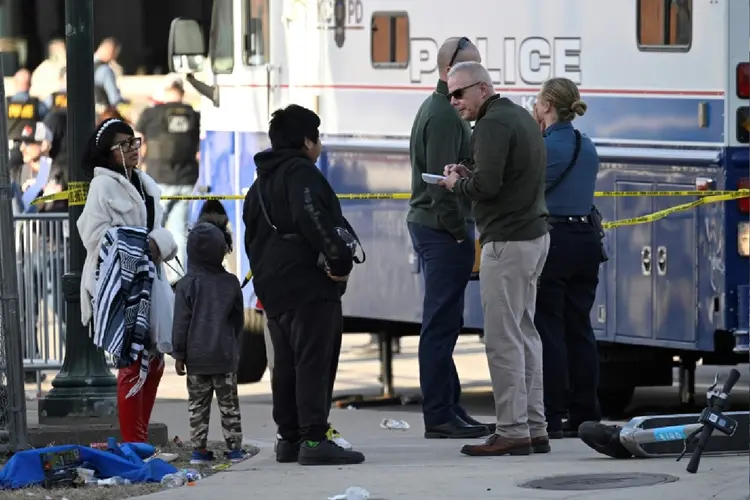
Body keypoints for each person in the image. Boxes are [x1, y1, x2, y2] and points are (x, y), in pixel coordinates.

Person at [438, 61, 551, 457]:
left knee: (503, 340)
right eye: (449, 94)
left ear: (482, 89)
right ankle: (535, 427)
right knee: (525, 334)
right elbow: (503, 173)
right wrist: (467, 171)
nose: (453, 101)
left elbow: (486, 186)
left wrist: (456, 183)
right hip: (533, 238)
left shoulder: (490, 125)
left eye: (459, 93)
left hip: (506, 241)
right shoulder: (519, 116)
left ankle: (512, 430)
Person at [243, 104, 364, 466]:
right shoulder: (301, 175)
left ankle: (289, 438)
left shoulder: (259, 183)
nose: (320, 144)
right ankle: (314, 438)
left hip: (274, 291)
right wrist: (339, 263)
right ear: (306, 141)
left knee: (287, 365)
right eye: (318, 136)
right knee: (314, 361)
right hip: (309, 287)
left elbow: (252, 237)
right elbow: (314, 218)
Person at [407, 37, 491, 440]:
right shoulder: (443, 115)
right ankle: (439, 413)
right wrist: (461, 236)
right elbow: (441, 186)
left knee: (447, 323)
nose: (476, 77)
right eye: (468, 68)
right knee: (440, 325)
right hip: (441, 230)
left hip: (442, 229)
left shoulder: (446, 110)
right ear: (448, 71)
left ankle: (451, 407)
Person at [77, 118, 177, 443]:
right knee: (132, 362)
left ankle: (140, 439)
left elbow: (156, 232)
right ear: (108, 154)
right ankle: (134, 445)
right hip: (119, 286)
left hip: (152, 282)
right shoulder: (101, 186)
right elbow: (92, 236)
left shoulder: (145, 183)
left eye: (134, 141)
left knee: (155, 361)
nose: (133, 148)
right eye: (123, 145)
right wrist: (145, 242)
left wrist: (158, 242)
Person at [531, 77, 603, 439]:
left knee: (549, 328)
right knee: (580, 328)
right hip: (586, 241)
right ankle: (586, 411)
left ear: (547, 106)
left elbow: (525, 188)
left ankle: (554, 412)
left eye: (537, 101)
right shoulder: (586, 145)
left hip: (555, 240)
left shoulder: (545, 147)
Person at [171, 213, 248, 464]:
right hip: (224, 356)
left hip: (196, 358)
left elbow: (181, 323)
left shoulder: (185, 285)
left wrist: (179, 354)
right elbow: (238, 321)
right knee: (229, 407)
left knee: (198, 408)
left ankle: (199, 451)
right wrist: (235, 347)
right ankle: (235, 449)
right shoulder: (230, 283)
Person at [253, 295, 355, 451]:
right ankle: (312, 435)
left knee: (283, 363)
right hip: (305, 293)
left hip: (273, 293)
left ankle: (288, 436)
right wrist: (341, 272)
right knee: (310, 364)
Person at [136, 76, 201, 283]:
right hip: (186, 181)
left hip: (159, 180)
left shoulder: (152, 113)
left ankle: (154, 276)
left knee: (154, 229)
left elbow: (139, 143)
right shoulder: (193, 115)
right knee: (179, 231)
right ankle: (179, 279)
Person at [8, 69, 49, 177]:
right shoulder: (37, 104)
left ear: (15, 83)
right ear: (30, 84)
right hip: (32, 153)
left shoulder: (5, 104)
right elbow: (46, 124)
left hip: (10, 150)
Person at [94, 37, 127, 107]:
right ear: (111, 51)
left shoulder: (81, 65)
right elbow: (115, 99)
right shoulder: (105, 71)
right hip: (100, 113)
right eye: (116, 53)